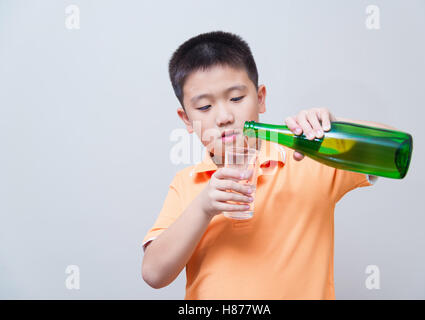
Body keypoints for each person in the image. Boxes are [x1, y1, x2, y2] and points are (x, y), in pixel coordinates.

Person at [141, 30, 395, 299]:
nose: (225, 116)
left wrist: (334, 129)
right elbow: (154, 274)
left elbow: (389, 151)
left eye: (236, 99)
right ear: (186, 120)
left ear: (260, 98)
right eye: (204, 107)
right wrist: (203, 207)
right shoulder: (188, 183)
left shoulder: (305, 158)